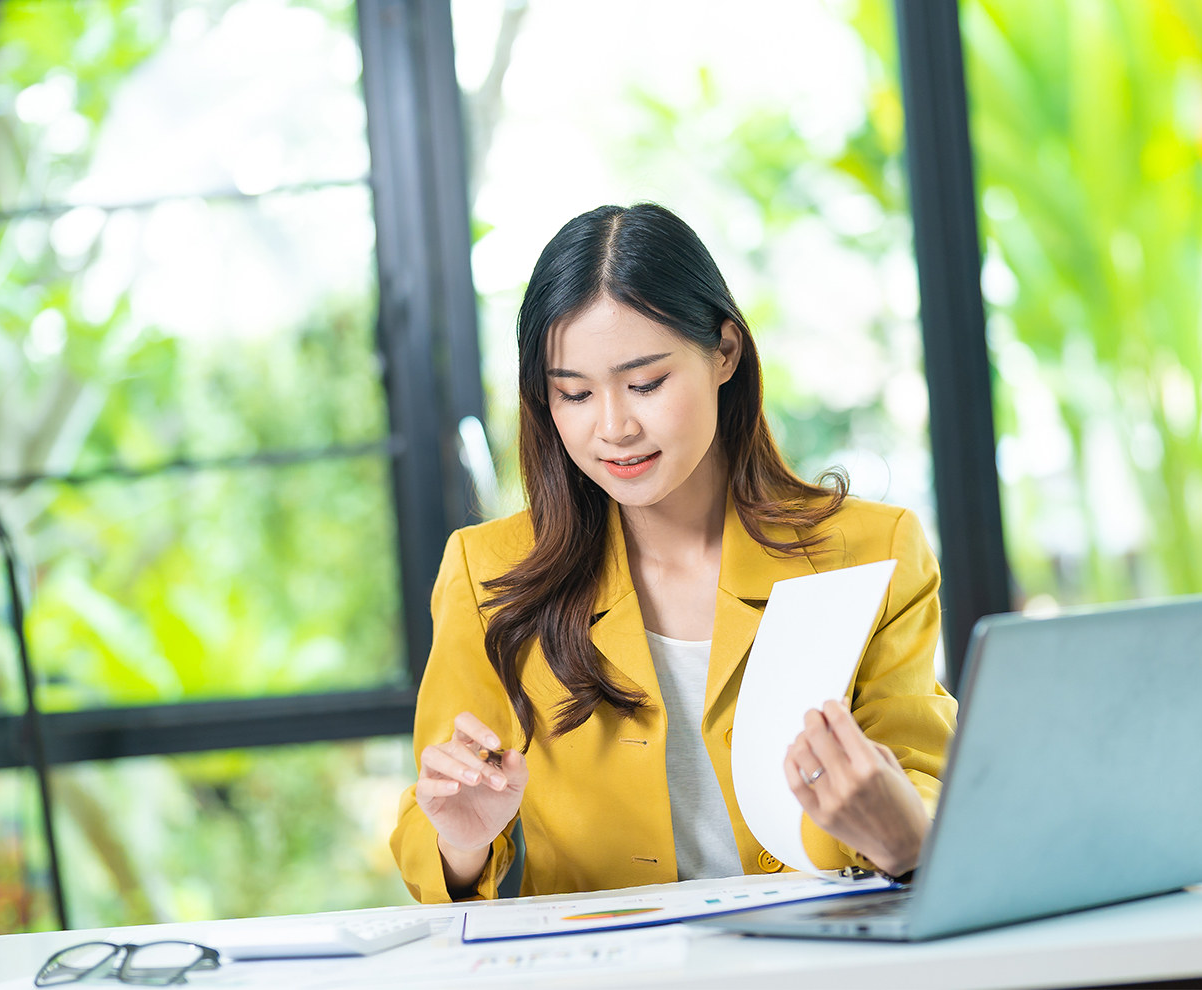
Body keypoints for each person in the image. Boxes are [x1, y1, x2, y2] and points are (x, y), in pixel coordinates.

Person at [390, 203, 956, 902]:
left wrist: (904, 833)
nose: (614, 427)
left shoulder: (870, 551)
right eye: (573, 393)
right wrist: (464, 838)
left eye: (646, 384)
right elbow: (429, 831)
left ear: (725, 352)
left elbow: (924, 783)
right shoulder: (488, 573)